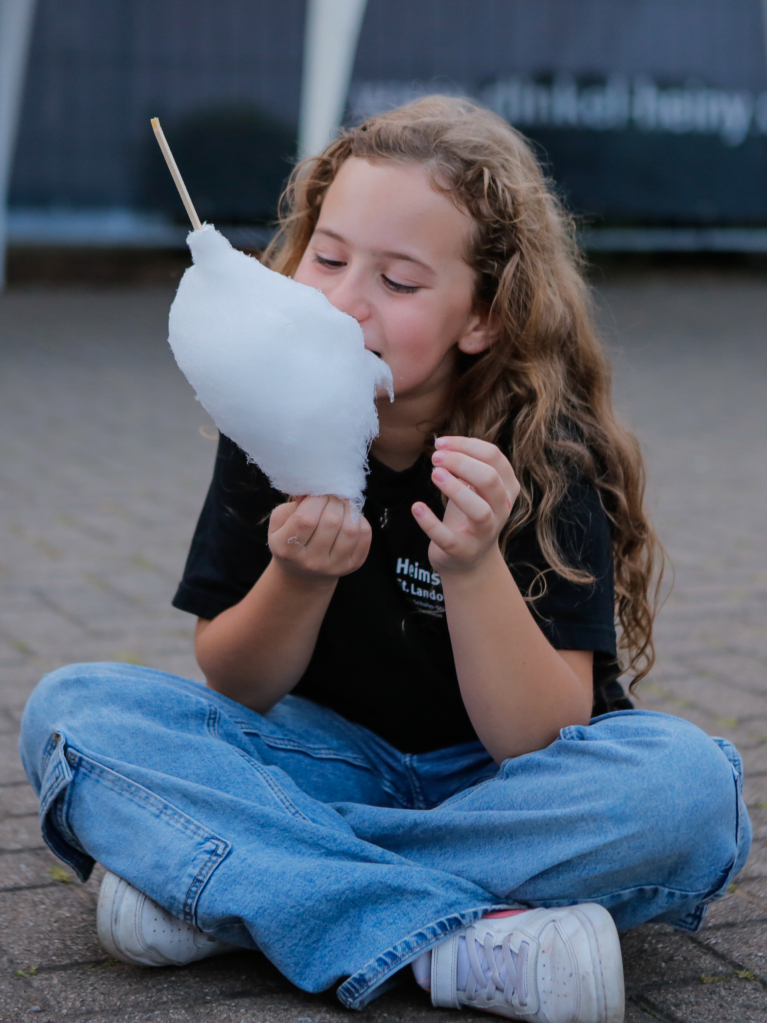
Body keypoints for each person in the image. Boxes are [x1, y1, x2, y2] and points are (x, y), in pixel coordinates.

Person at [19, 97, 750, 1023]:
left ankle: (233, 884)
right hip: (317, 760)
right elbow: (234, 680)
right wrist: (299, 577)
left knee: (689, 789)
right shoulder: (268, 425)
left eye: (399, 282)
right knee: (73, 712)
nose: (342, 300)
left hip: (502, 790)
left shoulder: (543, 448)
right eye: (326, 257)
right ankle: (465, 940)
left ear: (480, 316)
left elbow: (538, 736)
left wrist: (475, 566)